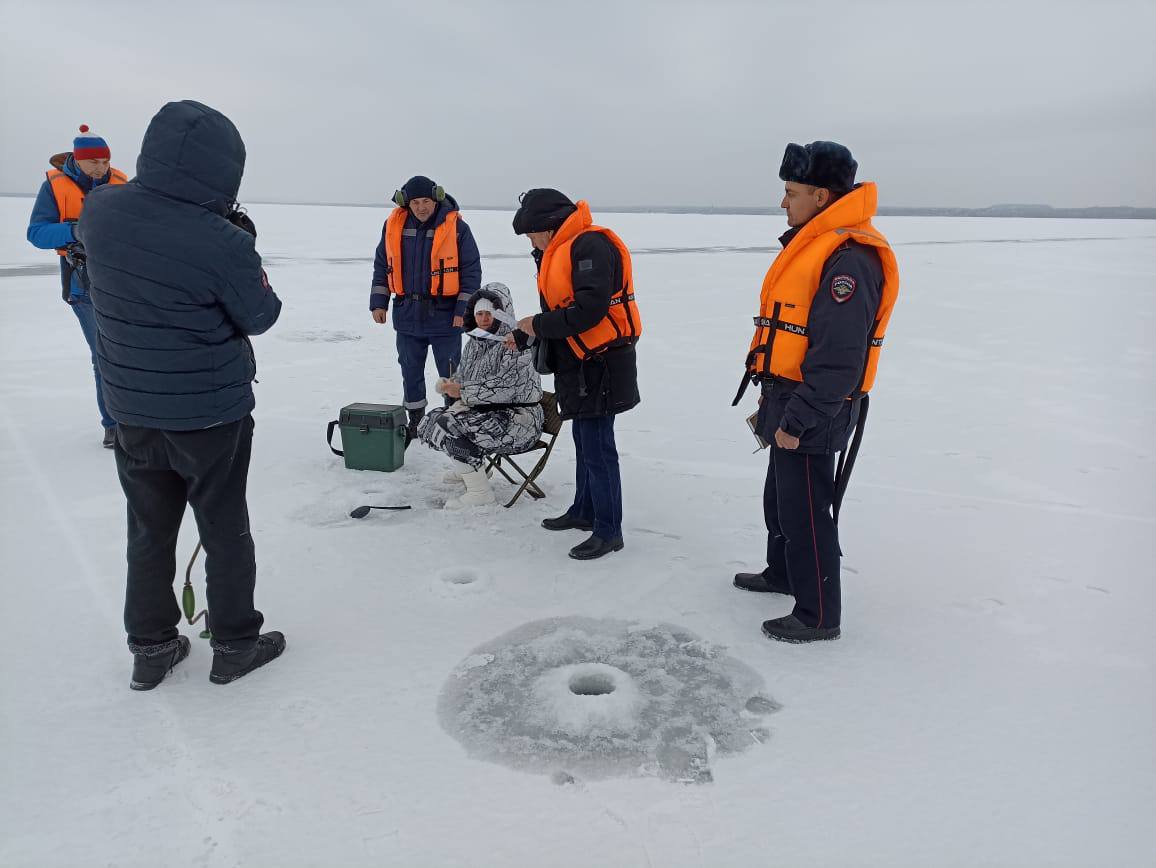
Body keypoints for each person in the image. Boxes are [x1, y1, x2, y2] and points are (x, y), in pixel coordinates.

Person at [76, 100, 286, 689]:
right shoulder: (221, 241)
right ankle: (236, 643)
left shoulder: (100, 212)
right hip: (210, 413)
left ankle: (151, 646)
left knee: (148, 528)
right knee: (223, 527)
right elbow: (261, 314)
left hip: (133, 408)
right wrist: (243, 244)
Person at [732, 141, 900, 643]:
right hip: (786, 393)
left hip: (814, 404)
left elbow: (838, 358)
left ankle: (819, 612)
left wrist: (800, 417)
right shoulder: (816, 243)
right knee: (781, 499)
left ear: (821, 196)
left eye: (791, 192)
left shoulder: (849, 259)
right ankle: (782, 572)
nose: (784, 202)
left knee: (807, 508)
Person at [508, 189, 641, 561]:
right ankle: (584, 511)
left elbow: (589, 312)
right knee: (585, 441)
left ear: (549, 228)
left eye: (532, 235)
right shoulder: (562, 249)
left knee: (598, 446)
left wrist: (535, 323)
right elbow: (563, 307)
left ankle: (608, 530)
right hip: (577, 363)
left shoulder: (590, 247)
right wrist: (525, 334)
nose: (531, 243)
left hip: (601, 362)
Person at [26, 125, 128, 448]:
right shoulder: (54, 187)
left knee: (128, 350)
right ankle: (113, 424)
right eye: (94, 162)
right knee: (103, 353)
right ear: (78, 161)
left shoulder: (121, 183)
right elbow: (36, 233)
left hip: (121, 281)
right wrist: (76, 231)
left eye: (105, 161)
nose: (101, 167)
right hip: (82, 283)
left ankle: (135, 416)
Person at [369, 176, 482, 440]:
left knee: (451, 375)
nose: (421, 208)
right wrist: (378, 302)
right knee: (410, 371)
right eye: (416, 202)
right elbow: (381, 266)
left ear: (436, 200)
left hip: (445, 316)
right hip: (407, 314)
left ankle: (453, 419)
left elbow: (471, 272)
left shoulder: (456, 228)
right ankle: (416, 422)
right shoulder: (393, 226)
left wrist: (461, 313)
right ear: (406, 204)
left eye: (426, 201)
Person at [417, 282, 544, 508]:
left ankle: (479, 491)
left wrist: (463, 392)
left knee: (451, 425)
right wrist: (450, 384)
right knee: (431, 421)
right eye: (480, 313)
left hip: (519, 420)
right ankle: (467, 466)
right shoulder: (475, 342)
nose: (484, 319)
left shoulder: (518, 343)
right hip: (485, 415)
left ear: (503, 314)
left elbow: (506, 388)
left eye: (490, 314)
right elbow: (464, 375)